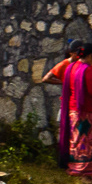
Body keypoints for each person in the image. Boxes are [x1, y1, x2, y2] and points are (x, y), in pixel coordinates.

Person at [36, 38, 81, 169]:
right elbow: (46, 78)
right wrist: (64, 82)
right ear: (71, 53)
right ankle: (64, 161)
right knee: (65, 132)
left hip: (77, 102)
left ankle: (75, 160)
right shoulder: (64, 64)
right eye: (77, 53)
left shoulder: (81, 65)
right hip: (67, 102)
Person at [65, 43, 92, 180]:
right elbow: (91, 90)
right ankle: (87, 172)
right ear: (89, 56)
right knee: (89, 140)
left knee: (76, 139)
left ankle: (75, 167)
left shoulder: (72, 67)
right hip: (87, 110)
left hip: (74, 109)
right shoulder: (87, 69)